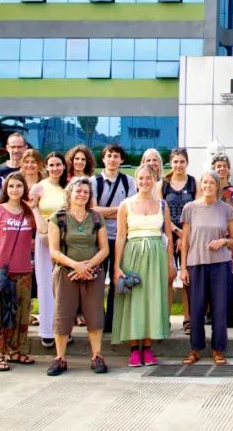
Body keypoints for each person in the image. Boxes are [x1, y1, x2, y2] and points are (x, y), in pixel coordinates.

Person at [47, 177, 110, 376]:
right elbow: (54, 251)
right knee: (63, 315)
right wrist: (76, 266)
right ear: (70, 194)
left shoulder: (96, 218)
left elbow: (104, 249)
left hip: (93, 273)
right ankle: (60, 358)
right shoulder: (59, 218)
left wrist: (88, 266)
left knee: (95, 314)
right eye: (78, 191)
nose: (82, 195)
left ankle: (97, 355)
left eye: (85, 192)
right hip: (66, 273)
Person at [113, 165, 175, 367]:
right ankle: (133, 349)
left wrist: (171, 261)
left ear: (154, 179)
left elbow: (168, 235)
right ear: (136, 180)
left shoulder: (162, 205)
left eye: (148, 178)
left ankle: (148, 347)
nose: (145, 182)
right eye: (141, 178)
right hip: (133, 253)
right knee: (134, 299)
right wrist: (116, 266)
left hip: (157, 254)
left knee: (152, 298)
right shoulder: (126, 205)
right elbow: (121, 237)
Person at [0, 172, 42, 371]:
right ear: (6, 189)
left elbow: (41, 232)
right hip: (1, 271)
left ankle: (15, 350)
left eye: (19, 186)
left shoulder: (28, 213)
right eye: (11, 186)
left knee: (22, 312)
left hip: (24, 270)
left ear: (25, 188)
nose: (15, 190)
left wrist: (34, 208)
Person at [180, 169, 233, 366]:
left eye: (211, 183)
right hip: (196, 264)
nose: (207, 186)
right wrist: (183, 267)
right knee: (196, 309)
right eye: (204, 182)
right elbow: (185, 240)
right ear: (200, 185)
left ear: (217, 186)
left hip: (220, 265)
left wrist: (223, 241)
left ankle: (218, 350)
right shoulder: (190, 208)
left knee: (219, 309)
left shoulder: (226, 209)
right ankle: (195, 349)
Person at [94, 144, 136, 333]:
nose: (112, 159)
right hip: (100, 237)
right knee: (97, 280)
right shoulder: (93, 182)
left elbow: (131, 210)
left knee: (117, 278)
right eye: (109, 155)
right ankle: (98, 320)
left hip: (121, 237)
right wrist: (119, 210)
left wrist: (109, 212)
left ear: (122, 160)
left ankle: (113, 321)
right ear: (103, 159)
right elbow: (93, 211)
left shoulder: (128, 181)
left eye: (116, 156)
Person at [30, 152, 68, 348]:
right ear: (46, 167)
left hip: (66, 240)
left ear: (63, 166)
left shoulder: (69, 187)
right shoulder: (39, 188)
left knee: (63, 287)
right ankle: (47, 330)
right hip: (45, 239)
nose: (55, 168)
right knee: (46, 284)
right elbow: (33, 210)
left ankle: (63, 328)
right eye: (51, 165)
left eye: (58, 164)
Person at [162, 148, 196, 333]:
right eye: (175, 162)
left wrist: (185, 236)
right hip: (168, 235)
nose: (178, 165)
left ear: (187, 163)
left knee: (187, 279)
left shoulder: (193, 183)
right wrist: (175, 232)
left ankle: (188, 319)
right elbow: (160, 211)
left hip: (188, 236)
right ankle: (164, 318)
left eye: (182, 161)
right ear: (171, 163)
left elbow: (197, 211)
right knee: (168, 277)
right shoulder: (164, 184)